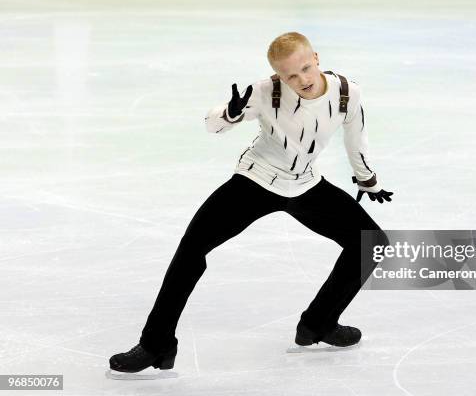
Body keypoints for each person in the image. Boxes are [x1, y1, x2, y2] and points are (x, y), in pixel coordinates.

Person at [109, 32, 393, 373]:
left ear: (316, 58)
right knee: (191, 249)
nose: (301, 79)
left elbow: (356, 137)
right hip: (255, 181)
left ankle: (319, 323)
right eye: (290, 75)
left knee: (371, 244)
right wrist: (228, 113)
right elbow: (212, 125)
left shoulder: (346, 92)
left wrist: (367, 179)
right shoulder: (264, 92)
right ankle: (156, 345)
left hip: (305, 184)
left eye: (305, 68)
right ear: (278, 75)